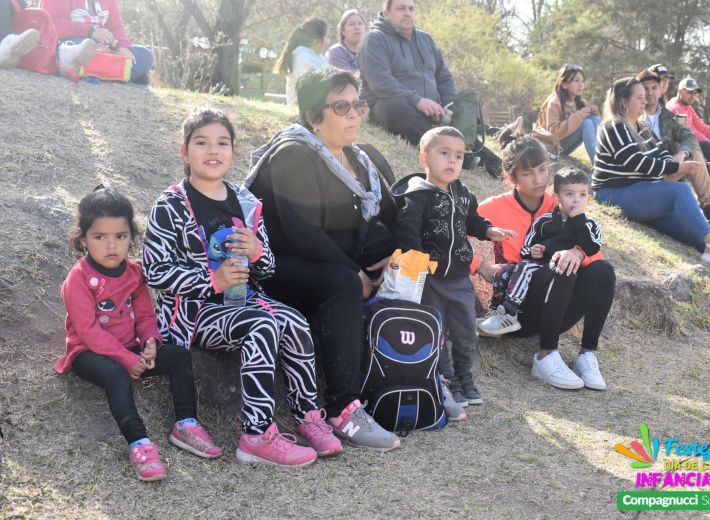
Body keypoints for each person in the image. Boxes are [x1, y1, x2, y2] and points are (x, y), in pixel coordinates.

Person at [144, 107, 342, 467]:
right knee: (263, 324)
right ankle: (256, 435)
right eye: (201, 142)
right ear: (184, 151)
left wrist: (257, 252)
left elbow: (266, 271)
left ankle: (308, 417)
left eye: (222, 142)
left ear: (233, 151)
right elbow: (155, 271)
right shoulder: (170, 204)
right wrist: (211, 280)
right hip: (192, 314)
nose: (212, 151)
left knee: (294, 320)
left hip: (242, 301)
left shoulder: (246, 203)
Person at [246, 68, 401, 452]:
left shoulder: (360, 157)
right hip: (277, 268)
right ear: (315, 115)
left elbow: (392, 213)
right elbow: (303, 234)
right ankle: (342, 409)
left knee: (407, 271)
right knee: (342, 284)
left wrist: (393, 259)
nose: (355, 114)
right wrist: (357, 274)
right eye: (342, 106)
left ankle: (425, 377)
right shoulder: (293, 154)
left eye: (358, 104)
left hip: (332, 262)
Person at [56, 185, 221, 482]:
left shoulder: (135, 272)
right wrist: (124, 358)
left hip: (130, 350)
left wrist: (149, 343)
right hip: (88, 354)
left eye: (120, 236)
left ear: (131, 236)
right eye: (100, 237)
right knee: (116, 374)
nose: (111, 246)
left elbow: (145, 315)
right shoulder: (77, 279)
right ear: (83, 240)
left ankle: (185, 423)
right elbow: (89, 331)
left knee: (179, 355)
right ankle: (139, 443)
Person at [592, 77, 710, 275]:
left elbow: (662, 156)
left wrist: (681, 165)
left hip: (641, 193)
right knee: (679, 190)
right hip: (613, 193)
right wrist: (677, 167)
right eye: (639, 98)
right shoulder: (614, 127)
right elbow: (639, 163)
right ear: (623, 101)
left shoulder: (643, 127)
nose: (645, 101)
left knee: (690, 227)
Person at [473, 135, 615, 390]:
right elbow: (450, 234)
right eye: (528, 173)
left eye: (542, 170)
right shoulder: (494, 208)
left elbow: (595, 251)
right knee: (559, 267)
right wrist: (480, 267)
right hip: (516, 312)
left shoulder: (560, 203)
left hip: (557, 310)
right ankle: (546, 355)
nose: (539, 179)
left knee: (603, 270)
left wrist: (578, 252)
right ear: (511, 177)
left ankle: (587, 354)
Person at [392, 126, 516, 408]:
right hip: (430, 279)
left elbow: (471, 219)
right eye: (444, 153)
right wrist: (417, 263)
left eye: (458, 156)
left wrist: (489, 230)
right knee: (438, 333)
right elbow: (407, 232)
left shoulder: (463, 193)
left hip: (460, 278)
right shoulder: (417, 195)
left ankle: (466, 379)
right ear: (424, 158)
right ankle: (447, 380)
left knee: (465, 332)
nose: (452, 161)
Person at [478, 166, 605, 341]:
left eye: (582, 195)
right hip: (540, 270)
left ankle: (509, 311)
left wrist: (579, 229)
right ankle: (500, 313)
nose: (576, 200)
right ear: (556, 197)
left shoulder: (589, 224)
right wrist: (533, 251)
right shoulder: (544, 220)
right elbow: (527, 246)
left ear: (589, 198)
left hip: (567, 280)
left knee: (527, 268)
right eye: (569, 194)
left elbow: (593, 248)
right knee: (510, 270)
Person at [357, 0, 485, 171]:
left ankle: (493, 162)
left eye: (411, 9)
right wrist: (417, 100)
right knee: (392, 106)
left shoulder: (425, 39)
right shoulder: (374, 39)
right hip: (390, 106)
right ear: (386, 13)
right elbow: (381, 82)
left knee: (462, 111)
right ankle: (449, 152)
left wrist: (448, 103)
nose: (407, 13)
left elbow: (444, 75)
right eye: (401, 8)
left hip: (432, 109)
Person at [636, 69, 710, 223]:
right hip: (648, 174)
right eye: (645, 88)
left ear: (660, 89)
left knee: (693, 151)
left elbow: (689, 135)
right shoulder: (634, 115)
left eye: (654, 88)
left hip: (669, 168)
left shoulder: (666, 115)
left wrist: (682, 153)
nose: (650, 93)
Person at [40, 0, 152, 83]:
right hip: (72, 45)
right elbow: (52, 24)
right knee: (81, 47)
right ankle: (117, 75)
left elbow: (116, 26)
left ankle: (91, 73)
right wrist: (91, 31)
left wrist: (123, 47)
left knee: (144, 55)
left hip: (103, 50)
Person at [536, 64, 601, 163]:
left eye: (582, 81)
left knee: (594, 119)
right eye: (576, 81)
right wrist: (579, 115)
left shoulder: (577, 101)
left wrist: (593, 113)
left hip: (564, 146)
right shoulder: (554, 102)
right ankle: (598, 165)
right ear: (564, 84)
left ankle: (605, 157)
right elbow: (553, 133)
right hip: (549, 148)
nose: (581, 84)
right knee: (586, 123)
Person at [274, 17, 329, 105]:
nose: (329, 40)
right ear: (317, 42)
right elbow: (311, 88)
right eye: (327, 37)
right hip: (301, 109)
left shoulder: (319, 56)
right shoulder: (301, 57)